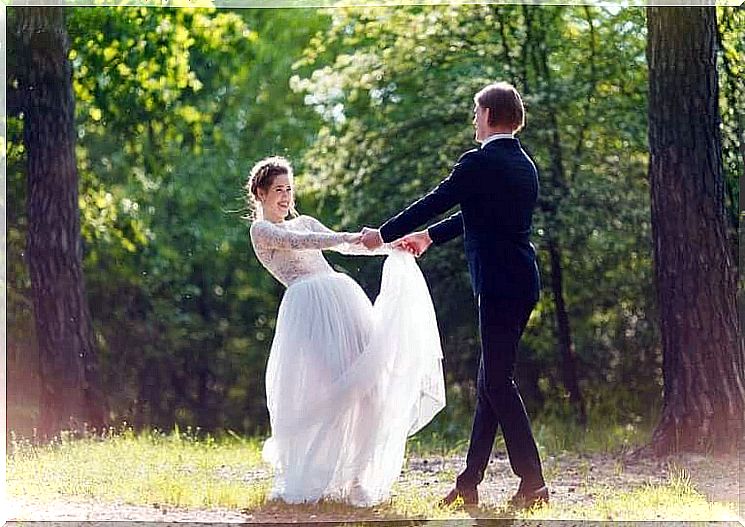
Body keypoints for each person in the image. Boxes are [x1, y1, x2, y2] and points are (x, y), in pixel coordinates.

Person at [360, 82, 549, 509]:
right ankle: (469, 482)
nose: (473, 119)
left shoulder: (478, 163)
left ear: (488, 115)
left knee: (497, 382)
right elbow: (476, 213)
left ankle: (533, 482)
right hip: (521, 281)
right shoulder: (523, 164)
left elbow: (438, 200)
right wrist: (428, 237)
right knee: (490, 382)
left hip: (500, 286)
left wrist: (382, 235)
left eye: (475, 111)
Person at [246, 156, 445, 506]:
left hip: (342, 300)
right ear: (260, 194)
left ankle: (357, 477)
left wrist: (387, 244)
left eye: (289, 189)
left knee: (370, 386)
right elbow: (303, 243)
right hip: (309, 309)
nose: (286, 196)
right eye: (278, 190)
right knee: (338, 388)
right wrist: (348, 235)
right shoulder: (261, 231)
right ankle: (320, 472)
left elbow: (343, 246)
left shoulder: (305, 221)